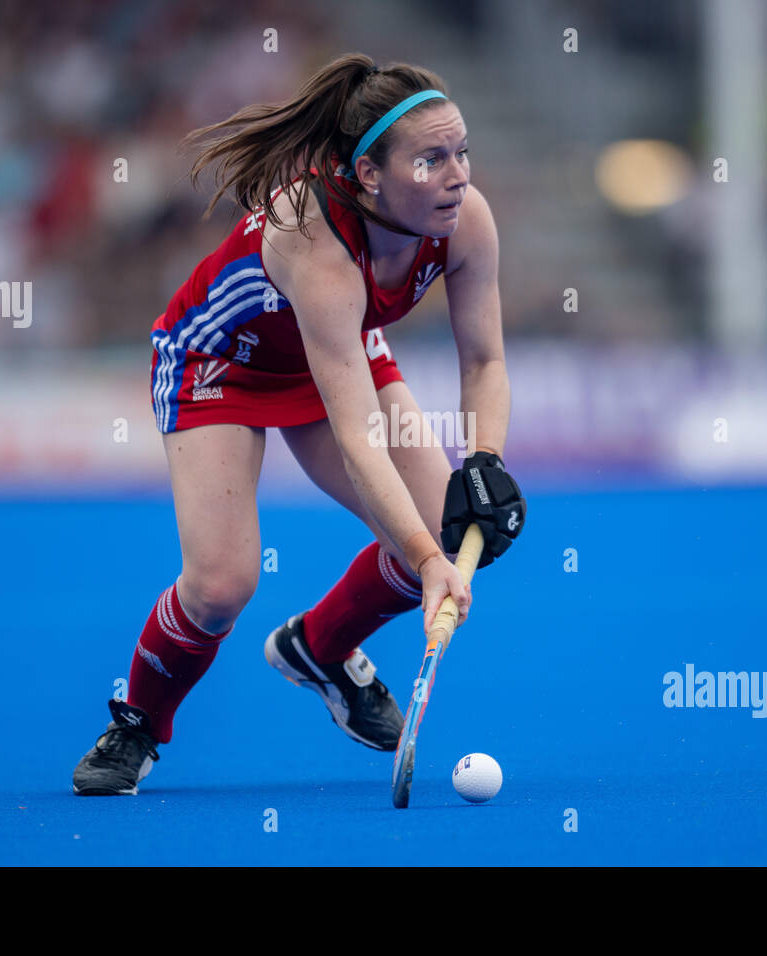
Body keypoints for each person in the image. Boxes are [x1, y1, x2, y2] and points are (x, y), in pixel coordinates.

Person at [72, 53, 526, 796]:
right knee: (222, 585)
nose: (458, 175)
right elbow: (357, 440)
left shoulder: (463, 220)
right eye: (433, 158)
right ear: (370, 174)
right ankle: (138, 726)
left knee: (448, 518)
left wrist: (486, 461)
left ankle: (319, 648)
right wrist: (424, 561)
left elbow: (484, 360)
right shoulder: (315, 245)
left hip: (335, 349)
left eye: (463, 153)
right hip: (216, 364)